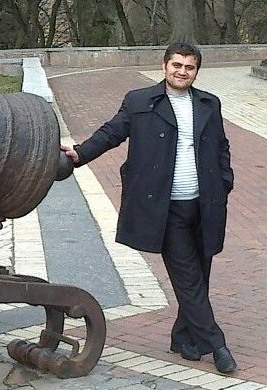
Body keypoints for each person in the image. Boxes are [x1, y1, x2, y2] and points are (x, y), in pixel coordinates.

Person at [61, 42, 236, 374]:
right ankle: (217, 345)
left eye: (189, 67)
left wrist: (225, 180)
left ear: (196, 71)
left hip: (205, 204)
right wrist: (80, 153)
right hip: (165, 209)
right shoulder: (140, 101)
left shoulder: (209, 104)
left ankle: (183, 339)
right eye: (177, 65)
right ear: (164, 66)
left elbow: (221, 145)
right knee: (188, 279)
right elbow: (112, 132)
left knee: (200, 275)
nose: (182, 71)